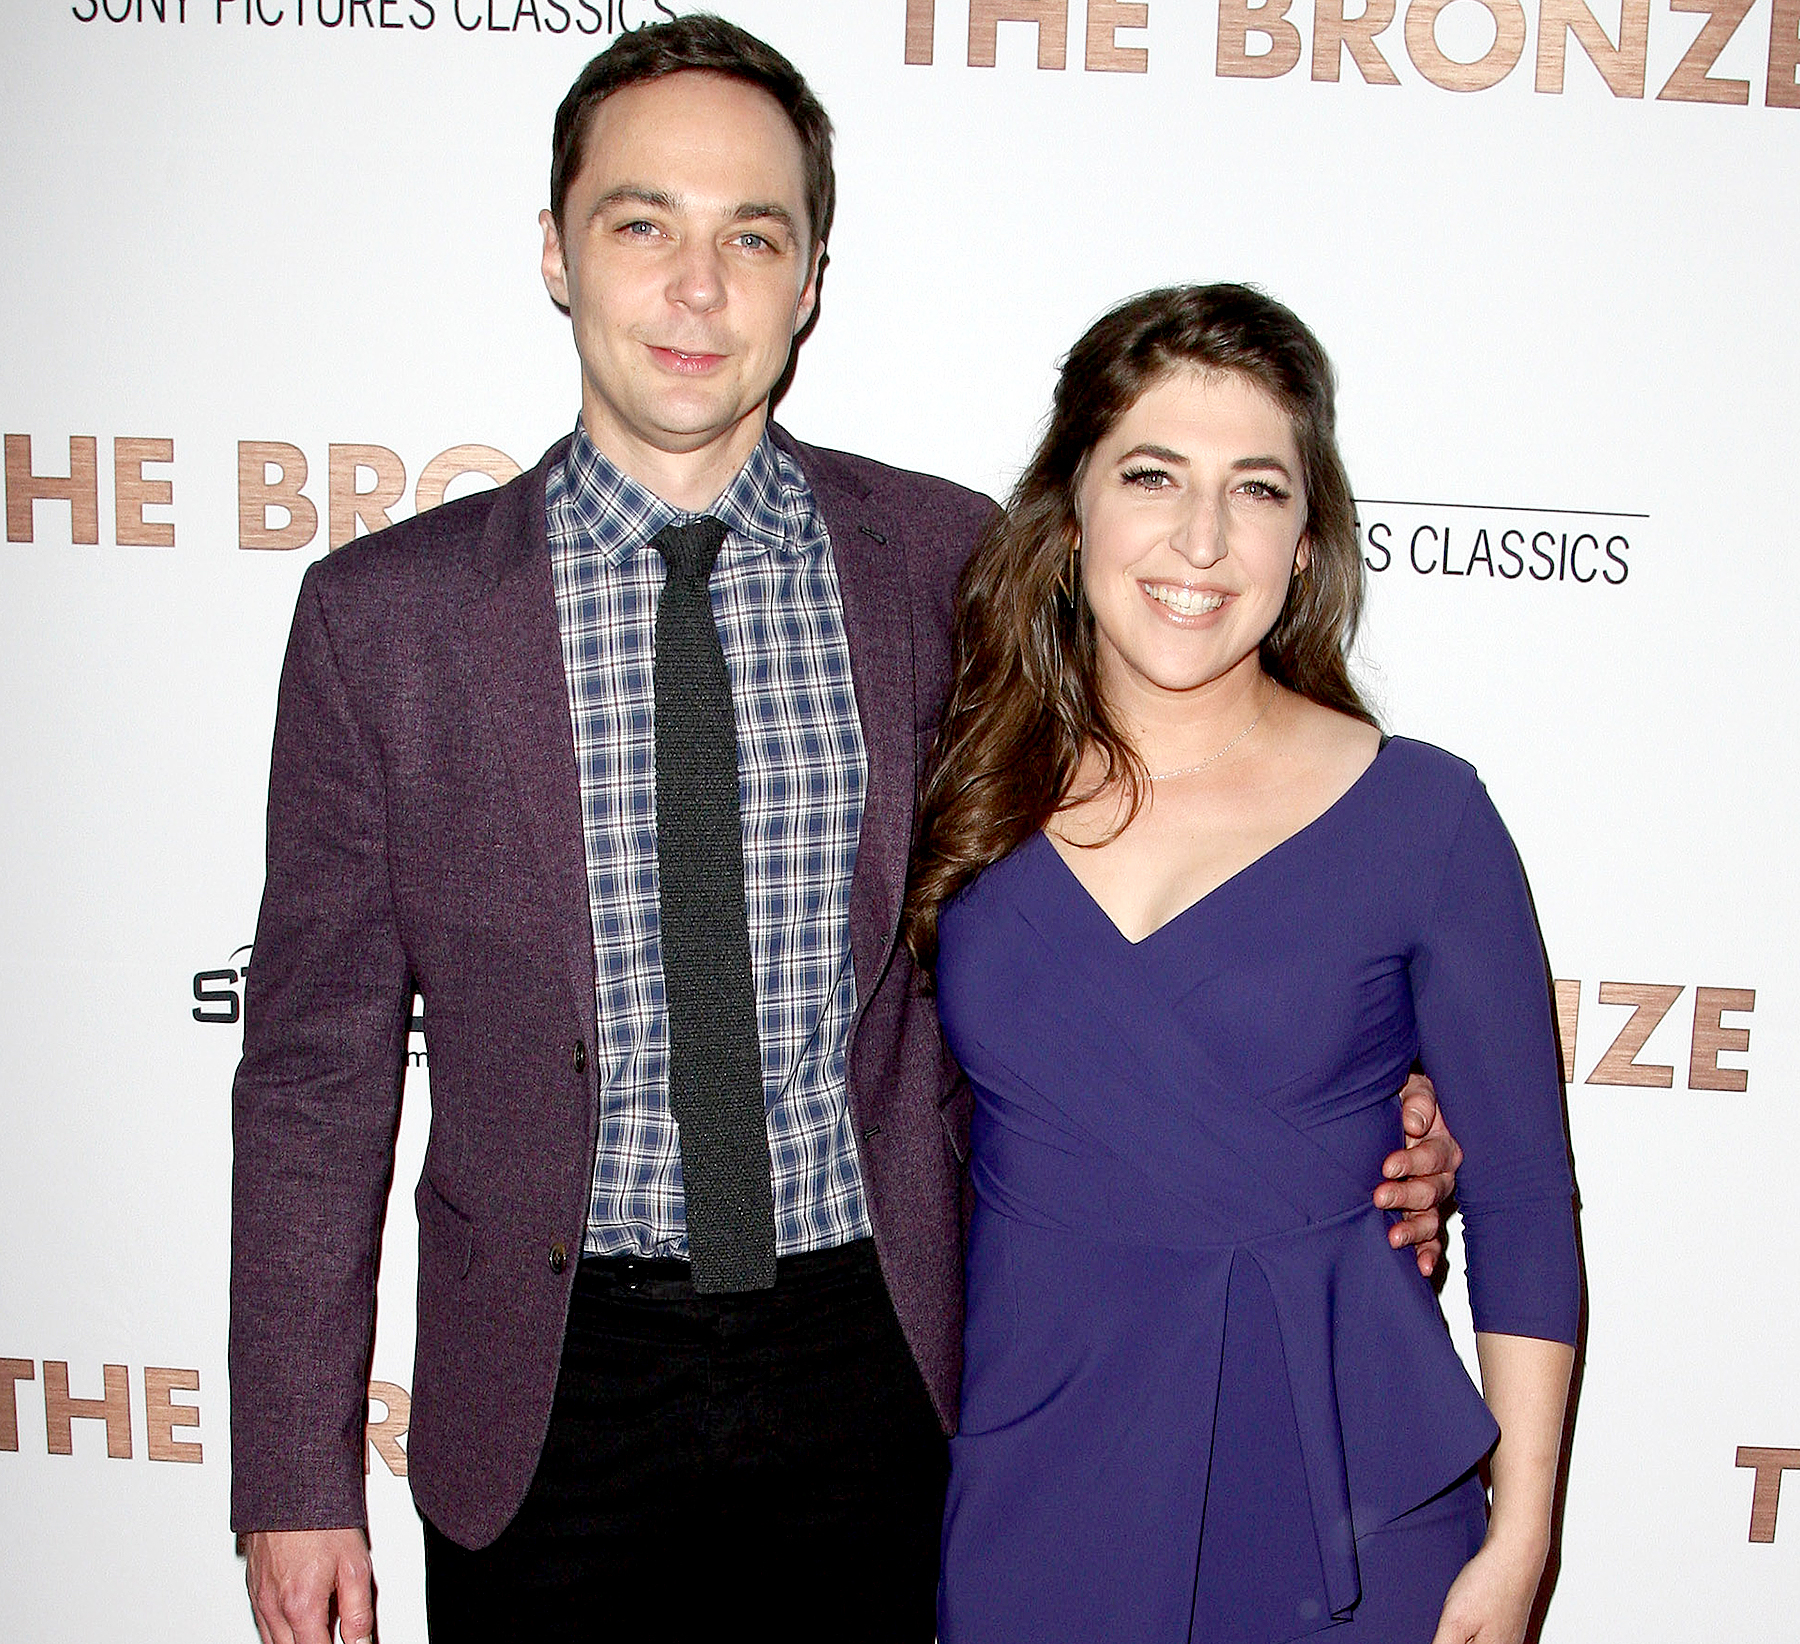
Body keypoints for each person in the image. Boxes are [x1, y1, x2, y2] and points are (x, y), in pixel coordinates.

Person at [228, 19, 1462, 1644]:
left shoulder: (948, 570)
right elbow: (317, 1074)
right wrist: (293, 1473)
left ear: (809, 279)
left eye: (754, 235)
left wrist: (1365, 1101)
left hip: (886, 1355)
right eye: (641, 223)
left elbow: (1177, 835)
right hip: (543, 1389)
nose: (697, 287)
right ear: (553, 251)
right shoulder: (382, 623)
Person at [907, 284, 1580, 1643]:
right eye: (1152, 475)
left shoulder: (1423, 818)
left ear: (1307, 537)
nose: (1200, 539)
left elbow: (1521, 1210)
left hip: (1341, 1496)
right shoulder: (958, 784)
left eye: (1256, 489)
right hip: (1032, 1476)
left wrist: (1520, 1548)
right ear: (1072, 509)